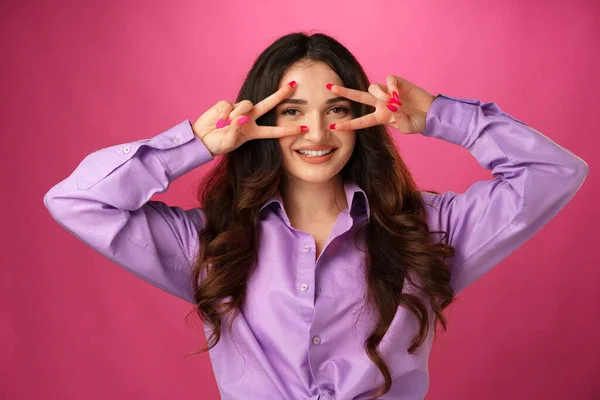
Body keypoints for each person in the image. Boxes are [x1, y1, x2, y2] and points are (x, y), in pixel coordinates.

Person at [43, 32, 589, 400]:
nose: (318, 133)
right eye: (292, 112)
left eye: (337, 110)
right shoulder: (212, 244)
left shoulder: (426, 233)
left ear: (363, 120)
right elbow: (77, 201)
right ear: (260, 119)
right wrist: (194, 144)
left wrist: (445, 118)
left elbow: (554, 173)